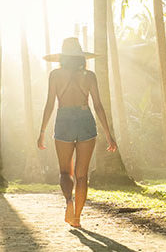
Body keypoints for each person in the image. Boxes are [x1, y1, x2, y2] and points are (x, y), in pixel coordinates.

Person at [37, 36, 118, 228]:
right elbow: (97, 105)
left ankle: (69, 202)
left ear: (63, 57)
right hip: (85, 120)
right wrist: (108, 134)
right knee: (82, 176)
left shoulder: (55, 75)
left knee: (65, 172)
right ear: (81, 57)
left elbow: (50, 104)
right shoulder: (89, 76)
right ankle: (77, 218)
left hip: (63, 119)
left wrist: (42, 131)